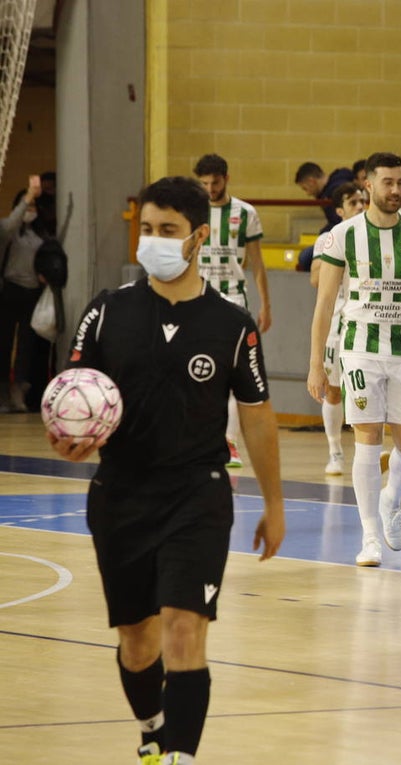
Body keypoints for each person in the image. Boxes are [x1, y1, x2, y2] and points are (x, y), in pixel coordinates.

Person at [48, 176, 284, 765]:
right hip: (121, 493)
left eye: (167, 230)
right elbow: (73, 392)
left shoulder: (232, 323)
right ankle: (152, 727)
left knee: (184, 628)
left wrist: (274, 504)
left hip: (198, 494)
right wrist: (68, 439)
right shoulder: (107, 310)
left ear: (198, 237)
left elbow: (257, 416)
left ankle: (180, 755)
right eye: (147, 228)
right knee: (138, 641)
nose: (152, 239)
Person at [307, 152, 401, 565]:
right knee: (367, 435)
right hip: (359, 348)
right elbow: (325, 303)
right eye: (388, 182)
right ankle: (370, 537)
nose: (395, 190)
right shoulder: (343, 235)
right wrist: (316, 364)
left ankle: (390, 497)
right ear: (369, 185)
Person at [193, 154, 272, 469]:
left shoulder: (245, 213)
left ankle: (230, 443)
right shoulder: (193, 210)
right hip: (197, 298)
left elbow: (258, 263)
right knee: (196, 369)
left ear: (226, 179)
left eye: (215, 182)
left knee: (231, 371)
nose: (210, 189)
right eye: (204, 183)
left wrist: (265, 304)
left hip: (234, 300)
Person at [309, 182, 366, 476]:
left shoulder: (373, 236)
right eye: (352, 202)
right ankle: (335, 451)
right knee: (333, 392)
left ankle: (364, 451)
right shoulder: (328, 238)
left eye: (362, 201)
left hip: (364, 322)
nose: (360, 206)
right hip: (335, 325)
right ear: (340, 210)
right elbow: (315, 279)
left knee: (362, 390)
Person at [0, 176, 48, 412]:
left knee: (26, 345)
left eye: (33, 206)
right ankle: (2, 394)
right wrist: (29, 195)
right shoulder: (8, 231)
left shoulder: (39, 235)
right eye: (27, 206)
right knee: (4, 343)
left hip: (32, 293)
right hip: (10, 290)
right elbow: (10, 225)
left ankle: (19, 391)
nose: (30, 210)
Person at [294, 161, 356, 230]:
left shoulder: (334, 192)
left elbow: (340, 222)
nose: (308, 194)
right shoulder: (332, 188)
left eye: (305, 188)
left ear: (311, 181)